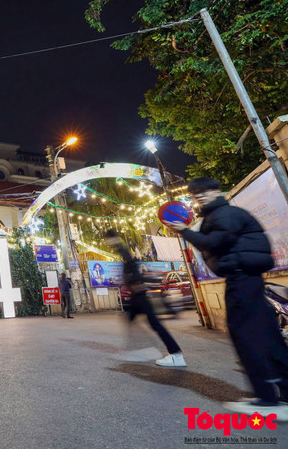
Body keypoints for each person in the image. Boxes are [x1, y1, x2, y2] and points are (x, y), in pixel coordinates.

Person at [166, 177, 288, 418]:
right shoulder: (221, 214)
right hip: (248, 279)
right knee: (268, 336)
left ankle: (267, 399)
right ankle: (282, 394)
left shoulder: (223, 214)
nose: (199, 196)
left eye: (205, 191)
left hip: (241, 279)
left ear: (216, 191)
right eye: (195, 193)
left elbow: (215, 243)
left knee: (246, 337)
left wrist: (184, 231)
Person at [104, 230, 185, 368]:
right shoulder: (121, 249)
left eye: (108, 239)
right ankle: (133, 350)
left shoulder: (122, 249)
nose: (107, 242)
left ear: (112, 239)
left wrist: (134, 281)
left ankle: (176, 354)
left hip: (139, 293)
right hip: (136, 294)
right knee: (130, 319)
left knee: (154, 323)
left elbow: (132, 266)